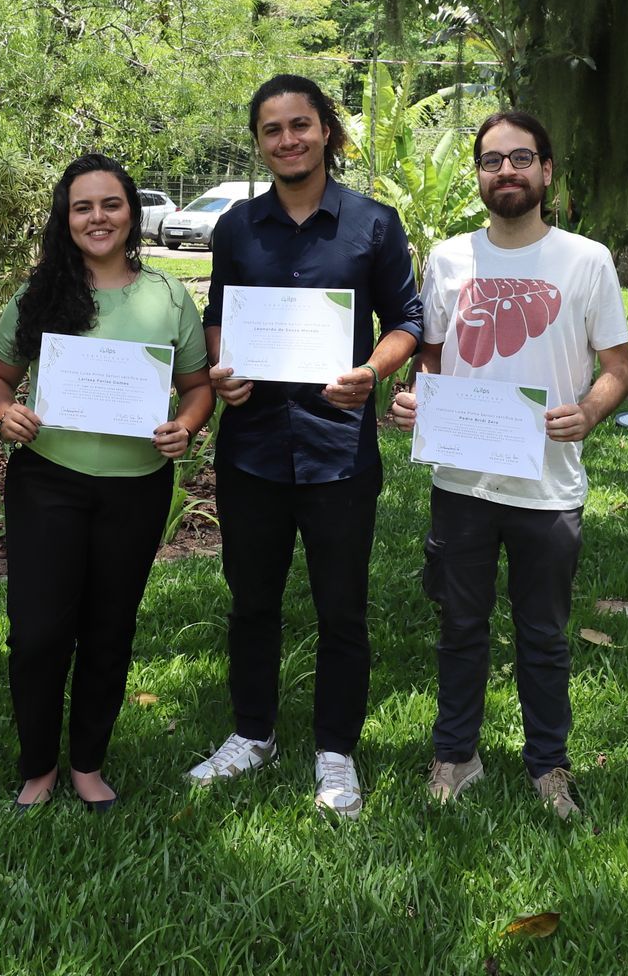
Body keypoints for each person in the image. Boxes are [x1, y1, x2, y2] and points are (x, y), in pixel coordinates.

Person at [186, 74, 423, 819]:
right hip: (252, 444)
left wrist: (371, 372)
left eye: (300, 125)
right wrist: (221, 372)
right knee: (251, 600)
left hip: (338, 448)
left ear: (326, 131)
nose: (287, 139)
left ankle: (335, 752)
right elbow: (220, 315)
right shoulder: (235, 229)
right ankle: (251, 733)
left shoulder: (373, 225)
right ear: (259, 143)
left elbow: (408, 321)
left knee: (341, 607)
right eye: (272, 129)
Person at [390, 110, 628, 818]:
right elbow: (432, 355)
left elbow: (618, 368)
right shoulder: (447, 258)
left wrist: (587, 413)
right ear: (478, 176)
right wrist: (417, 399)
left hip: (548, 487)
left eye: (521, 158)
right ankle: (456, 756)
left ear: (547, 171)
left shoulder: (586, 260)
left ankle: (548, 766)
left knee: (542, 634)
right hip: (462, 480)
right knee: (460, 627)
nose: (506, 172)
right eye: (492, 161)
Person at [0, 154, 214, 812]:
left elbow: (197, 388)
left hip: (135, 486)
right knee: (37, 633)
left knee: (109, 629)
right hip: (48, 481)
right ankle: (37, 764)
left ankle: (86, 762)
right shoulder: (40, 294)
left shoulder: (167, 296)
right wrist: (5, 411)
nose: (97, 218)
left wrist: (188, 427)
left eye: (110, 204)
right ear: (66, 216)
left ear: (131, 214)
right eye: (82, 206)